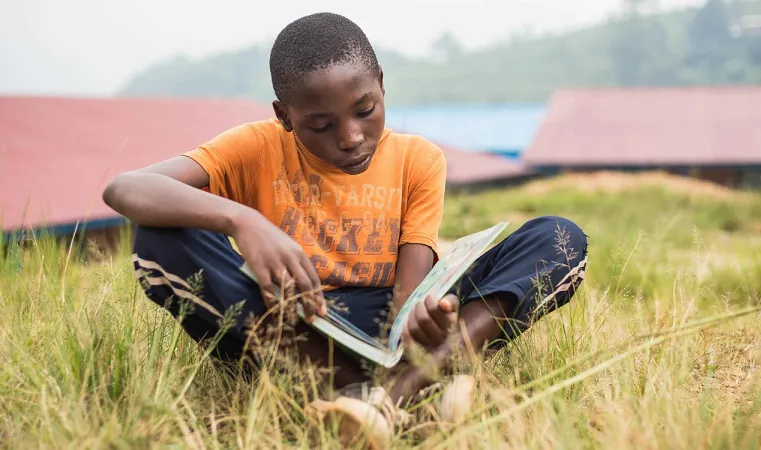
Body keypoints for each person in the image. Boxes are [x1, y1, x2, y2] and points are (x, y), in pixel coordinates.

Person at [102, 12, 588, 449]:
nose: (351, 137)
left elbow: (407, 296)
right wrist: (241, 219)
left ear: (381, 84)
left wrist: (423, 322)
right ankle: (367, 388)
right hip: (288, 323)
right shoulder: (255, 147)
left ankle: (401, 389)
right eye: (320, 125)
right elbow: (127, 189)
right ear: (284, 116)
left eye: (364, 110)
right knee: (159, 236)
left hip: (386, 318)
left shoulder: (418, 159)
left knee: (557, 237)